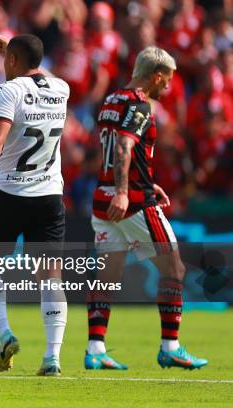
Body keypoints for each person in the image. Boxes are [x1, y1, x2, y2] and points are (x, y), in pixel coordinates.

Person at [87, 46, 208, 370]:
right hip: (132, 203)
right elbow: (125, 146)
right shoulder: (140, 104)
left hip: (103, 197)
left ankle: (95, 348)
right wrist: (127, 191)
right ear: (156, 76)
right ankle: (171, 346)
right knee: (175, 270)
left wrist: (137, 181)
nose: (167, 87)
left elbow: (115, 151)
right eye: (166, 81)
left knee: (107, 277)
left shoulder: (112, 100)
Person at [0, 33, 69, 376]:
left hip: (10, 193)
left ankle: (5, 333)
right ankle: (52, 357)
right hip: (50, 197)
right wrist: (12, 48)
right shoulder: (62, 89)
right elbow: (41, 75)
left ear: (11, 61)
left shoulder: (6, 91)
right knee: (50, 277)